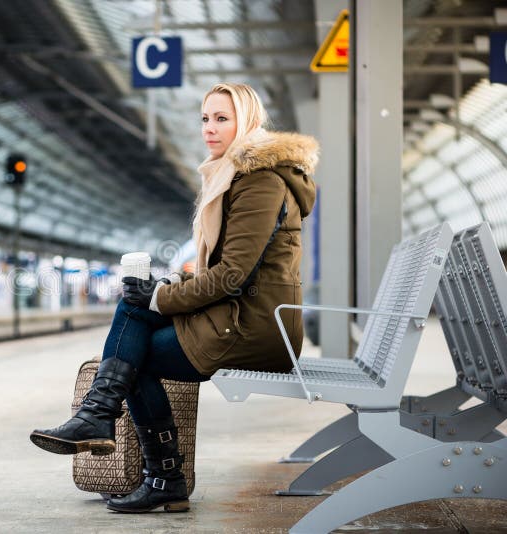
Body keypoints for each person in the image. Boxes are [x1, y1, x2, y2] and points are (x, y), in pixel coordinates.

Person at [30, 83, 318, 513]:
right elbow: (225, 275)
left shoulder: (261, 182)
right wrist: (159, 292)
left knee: (138, 353)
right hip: (239, 315)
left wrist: (162, 298)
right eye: (205, 118)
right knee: (133, 305)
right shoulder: (236, 175)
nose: (209, 128)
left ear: (249, 121)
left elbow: (231, 276)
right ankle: (105, 419)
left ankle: (158, 470)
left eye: (222, 118)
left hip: (255, 327)